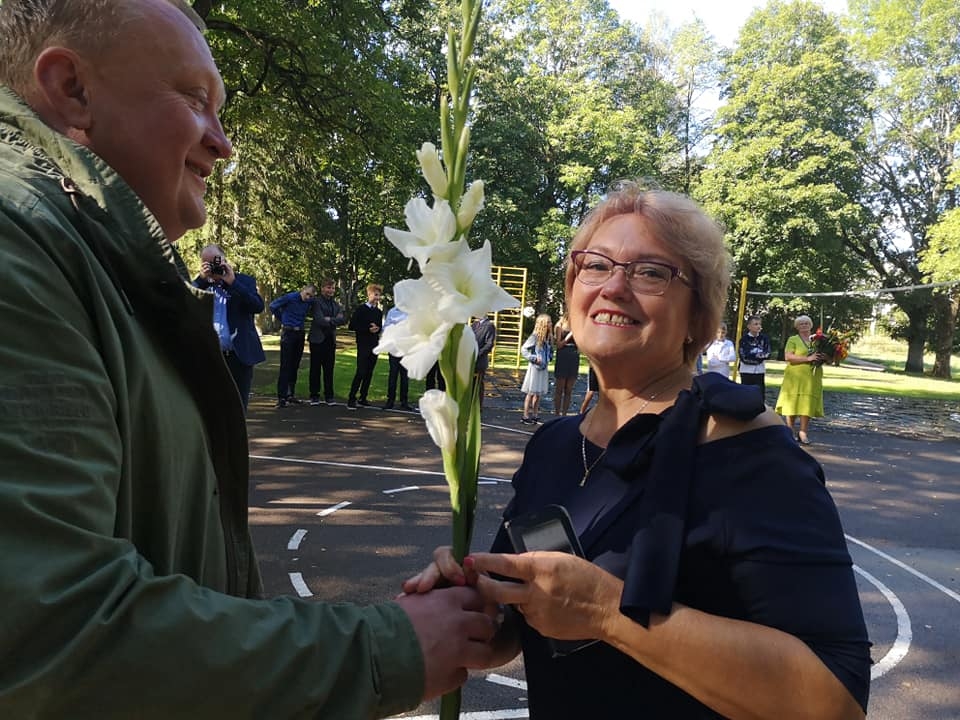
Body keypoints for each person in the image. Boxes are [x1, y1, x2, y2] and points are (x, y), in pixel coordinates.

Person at [0, 2, 497, 716]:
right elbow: (46, 631)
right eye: (197, 100)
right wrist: (392, 647)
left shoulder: (98, 268)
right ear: (71, 90)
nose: (225, 145)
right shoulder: (19, 246)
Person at [405, 183, 870, 719]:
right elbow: (526, 621)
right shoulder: (555, 446)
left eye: (651, 272)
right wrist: (479, 600)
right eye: (595, 265)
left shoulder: (749, 453)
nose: (614, 287)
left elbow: (837, 702)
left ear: (699, 317)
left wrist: (607, 612)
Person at [192, 244, 266, 413]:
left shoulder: (244, 281)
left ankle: (237, 440)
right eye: (208, 263)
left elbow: (257, 306)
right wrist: (200, 280)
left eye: (216, 262)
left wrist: (233, 283)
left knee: (238, 409)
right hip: (210, 357)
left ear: (225, 260)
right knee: (209, 409)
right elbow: (183, 303)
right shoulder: (201, 284)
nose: (214, 267)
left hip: (238, 357)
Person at [775, 314, 826, 445]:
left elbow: (826, 356)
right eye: (801, 324)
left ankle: (803, 432)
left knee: (807, 403)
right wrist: (807, 359)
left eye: (806, 323)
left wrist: (824, 358)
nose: (804, 325)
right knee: (792, 402)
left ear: (811, 325)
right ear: (797, 327)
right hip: (795, 377)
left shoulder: (817, 340)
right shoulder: (793, 339)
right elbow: (788, 357)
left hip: (812, 377)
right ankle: (790, 431)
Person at [269, 283, 316, 407]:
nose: (308, 297)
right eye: (307, 294)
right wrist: (283, 318)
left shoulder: (309, 302)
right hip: (288, 332)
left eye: (310, 296)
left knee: (295, 364)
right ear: (302, 290)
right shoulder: (290, 297)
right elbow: (273, 306)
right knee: (285, 364)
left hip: (299, 332)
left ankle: (291, 394)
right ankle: (281, 396)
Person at [308, 278, 345, 405]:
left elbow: (342, 319)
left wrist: (330, 319)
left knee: (329, 369)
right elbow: (319, 320)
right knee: (315, 368)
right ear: (322, 288)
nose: (331, 290)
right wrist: (332, 320)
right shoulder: (316, 302)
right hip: (317, 339)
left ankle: (329, 396)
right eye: (328, 288)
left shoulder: (336, 304)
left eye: (333, 288)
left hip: (330, 340)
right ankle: (314, 395)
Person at [347, 283, 383, 410]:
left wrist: (377, 329)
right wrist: (368, 329)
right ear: (369, 294)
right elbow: (352, 326)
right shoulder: (361, 309)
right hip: (363, 344)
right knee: (361, 371)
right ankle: (352, 398)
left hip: (374, 344)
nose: (377, 298)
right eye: (375, 295)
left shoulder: (378, 312)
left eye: (379, 295)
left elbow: (379, 327)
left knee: (369, 372)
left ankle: (363, 397)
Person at [520, 313, 553, 424]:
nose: (550, 324)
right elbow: (524, 349)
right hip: (535, 367)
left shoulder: (547, 338)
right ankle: (525, 415)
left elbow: (549, 351)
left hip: (543, 367)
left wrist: (549, 357)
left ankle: (535, 414)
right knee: (531, 391)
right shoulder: (535, 336)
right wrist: (533, 358)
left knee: (538, 392)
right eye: (548, 322)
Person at [383, 304, 412, 411]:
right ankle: (390, 400)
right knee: (393, 374)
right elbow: (386, 327)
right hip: (394, 348)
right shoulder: (392, 311)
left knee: (405, 376)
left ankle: (404, 401)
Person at [738, 314, 772, 400]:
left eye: (759, 324)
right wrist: (758, 357)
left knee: (759, 394)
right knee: (746, 394)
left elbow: (767, 354)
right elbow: (744, 357)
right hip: (746, 371)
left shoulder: (764, 339)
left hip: (759, 371)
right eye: (755, 324)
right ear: (749, 326)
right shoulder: (744, 339)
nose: (758, 326)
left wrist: (754, 355)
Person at [552, 311, 580, 416]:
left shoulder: (577, 326)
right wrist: (568, 336)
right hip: (563, 355)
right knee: (560, 387)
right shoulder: (560, 326)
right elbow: (558, 345)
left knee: (569, 389)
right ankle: (557, 413)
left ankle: (564, 413)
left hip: (573, 356)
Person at [471, 315, 496, 408]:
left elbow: (489, 344)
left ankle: (478, 407)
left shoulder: (489, 325)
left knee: (478, 385)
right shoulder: (474, 324)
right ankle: (470, 405)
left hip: (480, 361)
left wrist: (478, 353)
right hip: (470, 360)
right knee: (471, 385)